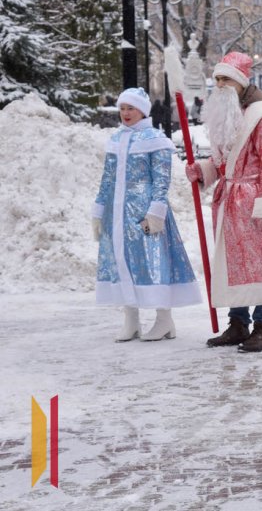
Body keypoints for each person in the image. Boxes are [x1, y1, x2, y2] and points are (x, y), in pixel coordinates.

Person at [185, 52, 262, 352]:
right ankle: (238, 323)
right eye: (217, 78)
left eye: (226, 78)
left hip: (255, 201)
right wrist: (204, 170)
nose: (220, 84)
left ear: (241, 82)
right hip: (229, 202)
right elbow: (225, 162)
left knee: (261, 264)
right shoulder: (228, 113)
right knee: (232, 265)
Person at [92, 87, 201, 342]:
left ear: (142, 110)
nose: (125, 113)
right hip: (117, 214)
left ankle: (164, 319)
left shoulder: (155, 139)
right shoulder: (116, 139)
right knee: (122, 261)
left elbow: (162, 179)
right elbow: (107, 179)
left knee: (153, 262)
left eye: (131, 108)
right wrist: (99, 210)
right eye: (122, 108)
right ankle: (131, 320)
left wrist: (156, 212)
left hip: (145, 213)